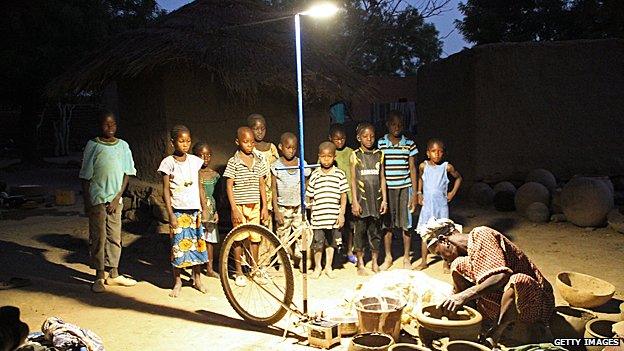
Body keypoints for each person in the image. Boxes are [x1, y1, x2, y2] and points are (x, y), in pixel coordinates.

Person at [424, 218, 555, 349]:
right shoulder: (467, 256)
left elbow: (501, 276)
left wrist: (464, 295)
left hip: (534, 303)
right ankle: (478, 325)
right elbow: (460, 294)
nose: (444, 261)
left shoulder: (481, 234)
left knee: (518, 280)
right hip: (500, 303)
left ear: (444, 240)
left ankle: (495, 334)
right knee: (457, 266)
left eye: (440, 254)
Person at [79, 110, 137, 293]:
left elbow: (127, 173)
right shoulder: (93, 146)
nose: (110, 127)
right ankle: (99, 276)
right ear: (100, 126)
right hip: (97, 199)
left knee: (115, 237)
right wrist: (88, 202)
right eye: (106, 124)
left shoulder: (123, 146)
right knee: (98, 237)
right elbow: (85, 176)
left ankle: (114, 273)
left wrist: (118, 197)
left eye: (113, 124)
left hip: (115, 200)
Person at [158, 125, 208, 297]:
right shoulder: (168, 163)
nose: (185, 144)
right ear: (173, 143)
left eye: (188, 141)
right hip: (178, 211)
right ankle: (178, 281)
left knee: (197, 245)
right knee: (178, 248)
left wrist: (205, 206)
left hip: (195, 210)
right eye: (181, 141)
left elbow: (199, 185)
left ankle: (197, 278)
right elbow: (165, 190)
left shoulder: (195, 161)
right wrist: (170, 213)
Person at [223, 126, 270, 287]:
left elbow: (262, 184)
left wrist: (264, 206)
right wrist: (234, 208)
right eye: (245, 141)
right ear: (238, 142)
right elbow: (229, 186)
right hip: (240, 206)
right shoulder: (233, 162)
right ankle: (239, 272)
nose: (249, 145)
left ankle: (254, 269)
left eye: (251, 142)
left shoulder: (258, 160)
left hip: (255, 205)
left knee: (255, 238)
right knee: (239, 239)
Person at [377, 110, 418, 270]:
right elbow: (381, 169)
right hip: (388, 189)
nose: (397, 127)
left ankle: (407, 257)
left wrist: (414, 193)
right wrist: (383, 195)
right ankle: (388, 256)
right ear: (388, 125)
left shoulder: (409, 144)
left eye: (400, 125)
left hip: (404, 188)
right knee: (387, 225)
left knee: (406, 225)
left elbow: (412, 168)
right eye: (393, 124)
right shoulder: (381, 144)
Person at [415, 138, 462, 272]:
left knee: (444, 235)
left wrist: (452, 193)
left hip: (441, 207)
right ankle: (424, 261)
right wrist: (419, 192)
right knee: (425, 234)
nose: (437, 154)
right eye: (434, 151)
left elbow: (459, 178)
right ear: (428, 153)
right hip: (428, 207)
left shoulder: (446, 167)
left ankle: (446, 262)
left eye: (440, 151)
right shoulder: (423, 166)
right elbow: (420, 178)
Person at [350, 123, 387, 275]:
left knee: (375, 232)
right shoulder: (355, 155)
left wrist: (384, 199)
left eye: (372, 136)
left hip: (376, 200)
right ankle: (360, 263)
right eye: (365, 136)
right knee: (359, 233)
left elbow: (382, 177)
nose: (369, 139)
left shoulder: (379, 154)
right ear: (359, 138)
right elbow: (352, 179)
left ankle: (375, 262)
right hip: (361, 201)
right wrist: (355, 201)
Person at [306, 142, 348, 279]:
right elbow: (309, 195)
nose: (326, 159)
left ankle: (328, 266)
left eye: (329, 156)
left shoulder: (340, 175)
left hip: (333, 217)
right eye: (323, 156)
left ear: (334, 157)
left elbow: (343, 196)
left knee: (331, 243)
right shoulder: (315, 175)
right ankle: (317, 266)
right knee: (318, 244)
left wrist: (341, 214)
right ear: (319, 157)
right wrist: (310, 209)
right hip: (318, 218)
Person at [271, 132, 311, 268]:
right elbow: (273, 189)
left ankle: (301, 261)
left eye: (294, 148)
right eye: (288, 147)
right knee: (283, 235)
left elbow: (306, 182)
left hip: (299, 206)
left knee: (301, 234)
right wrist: (276, 210)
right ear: (281, 147)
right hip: (283, 207)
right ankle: (283, 263)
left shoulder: (302, 163)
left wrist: (306, 200)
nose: (291, 150)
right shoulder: (276, 165)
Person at [329, 123, 356, 264]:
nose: (340, 142)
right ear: (330, 138)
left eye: (342, 139)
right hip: (333, 198)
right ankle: (336, 253)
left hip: (349, 197)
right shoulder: (328, 153)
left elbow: (354, 176)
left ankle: (350, 250)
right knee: (335, 227)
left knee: (350, 226)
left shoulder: (351, 152)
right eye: (336, 139)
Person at [193, 142, 220, 279]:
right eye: (201, 155)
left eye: (208, 155)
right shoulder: (193, 174)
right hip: (197, 211)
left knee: (210, 241)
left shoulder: (215, 176)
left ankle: (209, 268)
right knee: (197, 239)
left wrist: (216, 212)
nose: (205, 158)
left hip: (210, 211)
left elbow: (217, 196)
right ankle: (195, 271)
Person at [248, 114, 278, 231]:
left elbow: (276, 171)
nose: (260, 132)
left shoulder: (271, 148)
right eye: (256, 129)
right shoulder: (249, 149)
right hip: (254, 192)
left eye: (263, 128)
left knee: (267, 223)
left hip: (270, 191)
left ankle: (268, 250)